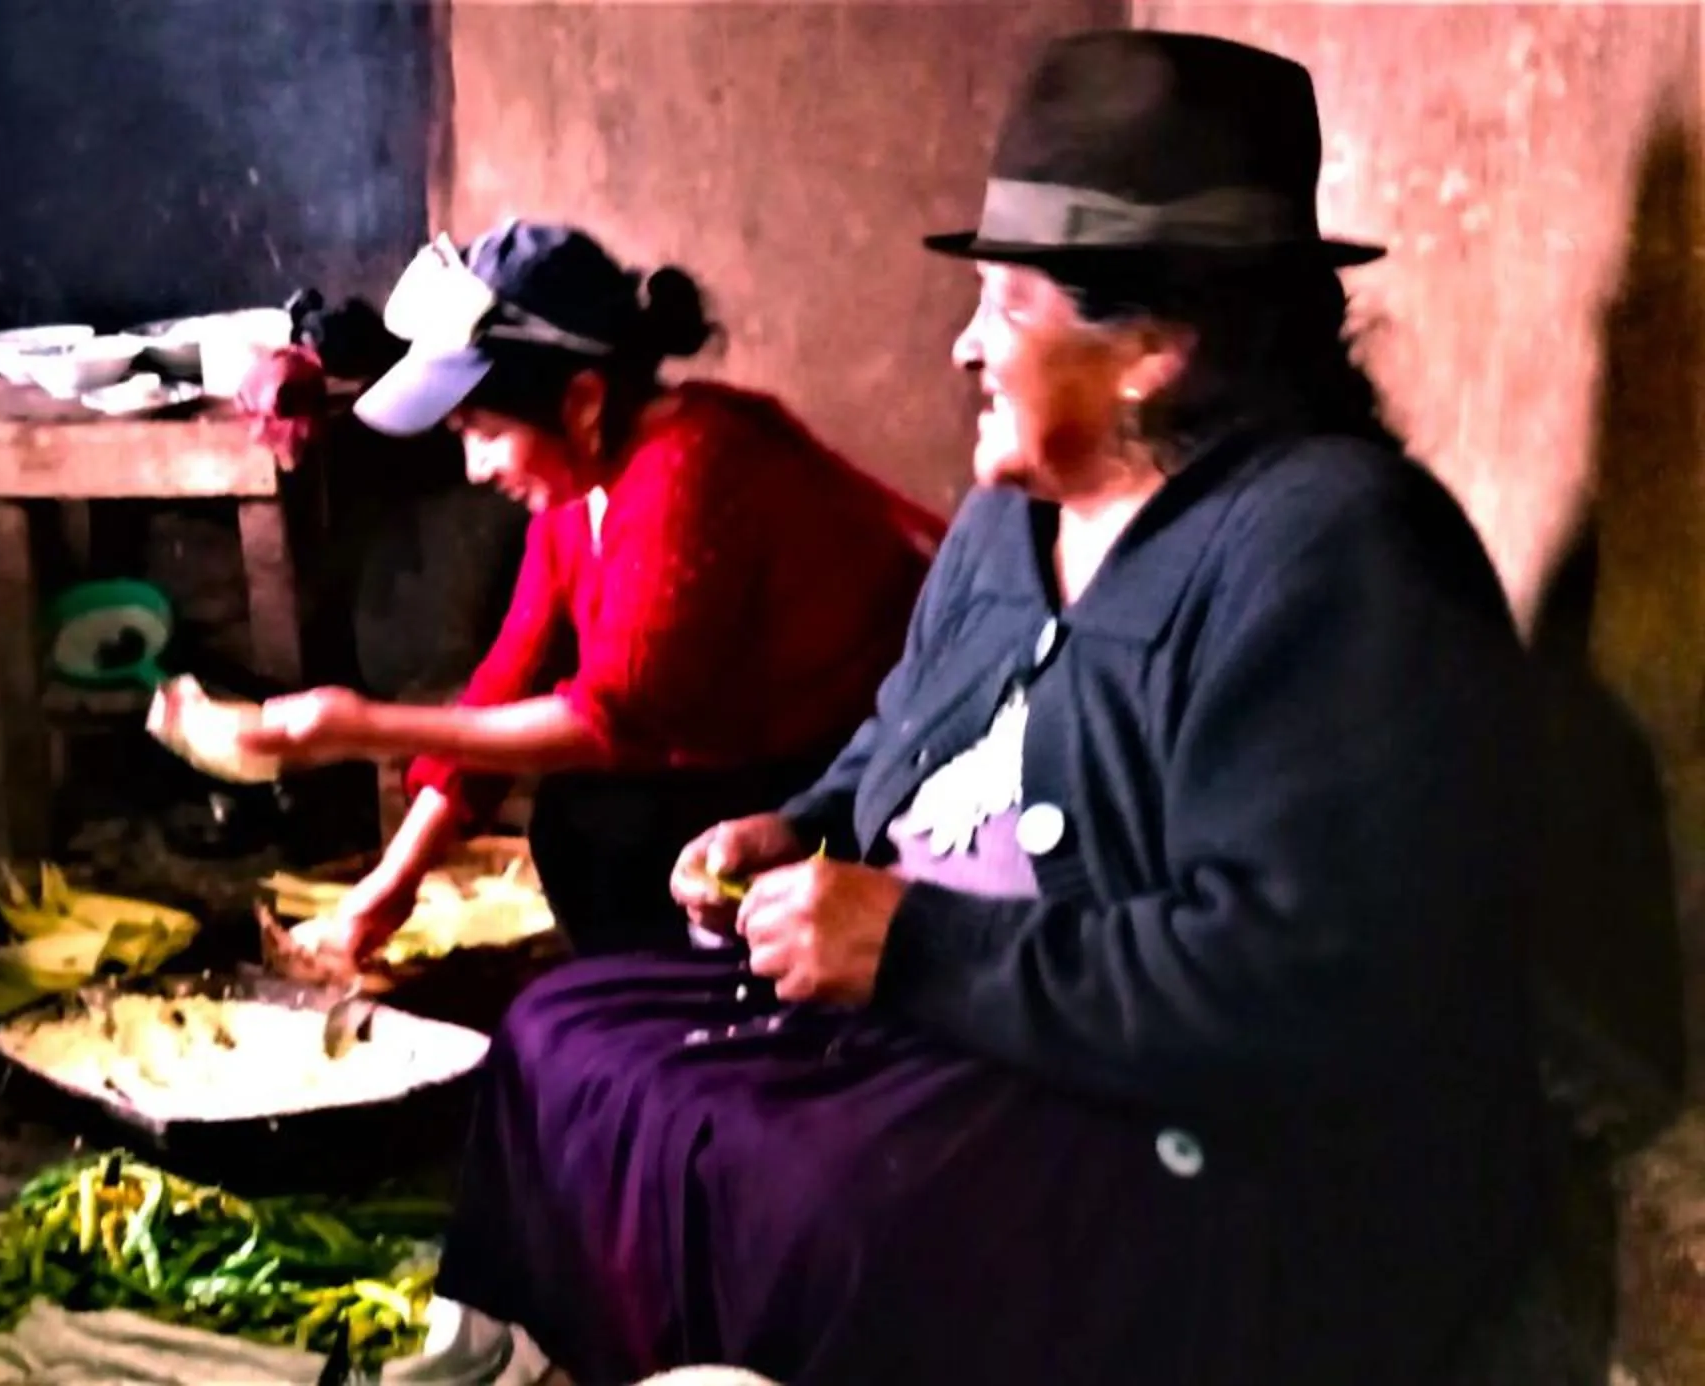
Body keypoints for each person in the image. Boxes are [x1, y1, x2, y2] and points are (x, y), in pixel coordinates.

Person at [436, 34, 1548, 1384]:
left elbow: (1294, 979)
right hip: (954, 1023)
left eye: (1005, 308)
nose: (964, 347)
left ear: (1153, 346)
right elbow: (900, 739)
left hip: (1176, 1131)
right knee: (563, 1038)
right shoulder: (1006, 522)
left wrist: (913, 947)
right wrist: (800, 829)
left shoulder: (1333, 550)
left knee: (819, 1200)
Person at [241, 220, 944, 961]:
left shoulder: (692, 469)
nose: (476, 467)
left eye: (485, 431)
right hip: (760, 752)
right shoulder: (582, 493)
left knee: (604, 825)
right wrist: (391, 886)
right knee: (587, 819)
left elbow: (615, 721)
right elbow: (507, 679)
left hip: (862, 768)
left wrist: (366, 728)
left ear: (581, 401)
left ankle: (699, 1005)